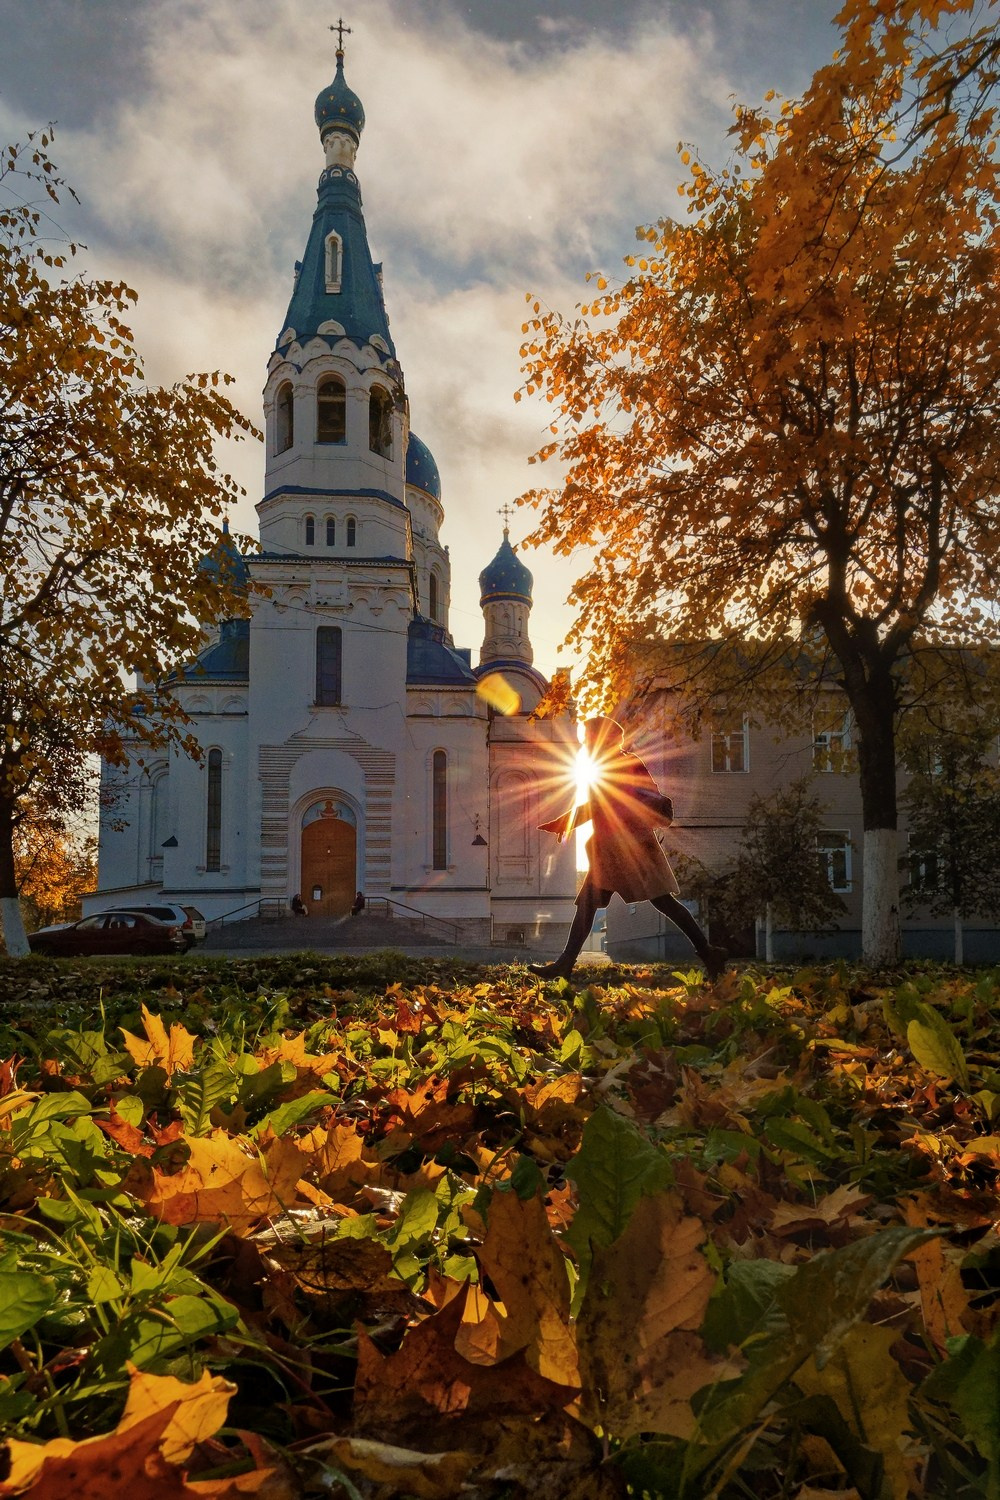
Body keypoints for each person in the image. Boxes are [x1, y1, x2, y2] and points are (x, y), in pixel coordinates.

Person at [529, 717, 727, 983]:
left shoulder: (623, 763)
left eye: (588, 736)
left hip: (631, 848)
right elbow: (597, 804)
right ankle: (565, 964)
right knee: (590, 904)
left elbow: (606, 804)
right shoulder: (607, 765)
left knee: (662, 902)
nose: (585, 742)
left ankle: (708, 952)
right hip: (613, 849)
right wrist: (566, 821)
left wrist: (565, 821)